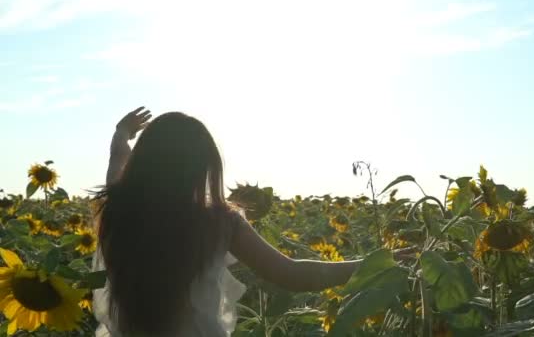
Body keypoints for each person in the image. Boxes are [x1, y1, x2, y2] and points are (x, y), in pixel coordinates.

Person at [91, 107, 415, 337]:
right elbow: (292, 274)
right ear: (202, 168)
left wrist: (122, 133)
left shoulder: (117, 209)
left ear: (146, 159)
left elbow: (117, 160)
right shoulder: (216, 222)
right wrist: (374, 264)